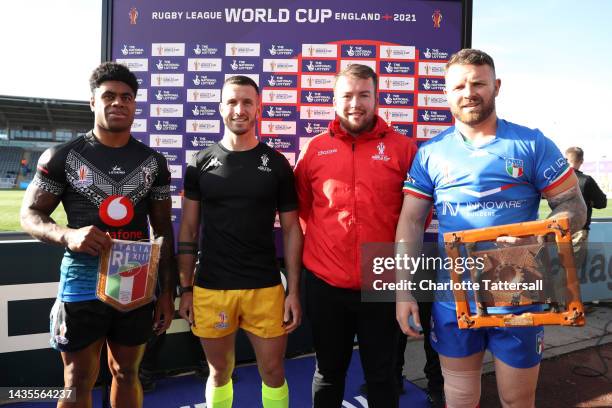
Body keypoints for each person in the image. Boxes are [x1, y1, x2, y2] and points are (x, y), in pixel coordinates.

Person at [396, 49, 587, 408]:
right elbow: (409, 219)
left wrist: (540, 232)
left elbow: (574, 205)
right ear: (446, 93)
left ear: (496, 87)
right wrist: (404, 291)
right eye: (459, 86)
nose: (469, 92)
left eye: (478, 83)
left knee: (517, 401)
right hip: (453, 298)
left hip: (517, 293)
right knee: (460, 399)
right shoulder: (431, 153)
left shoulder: (531, 143)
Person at [20, 61, 177, 408]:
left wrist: (168, 292)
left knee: (126, 372)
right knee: (78, 380)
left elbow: (164, 230)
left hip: (135, 278)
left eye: (126, 97)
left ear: (135, 104)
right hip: (81, 278)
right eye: (109, 95)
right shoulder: (62, 157)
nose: (118, 102)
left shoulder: (153, 163)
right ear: (93, 101)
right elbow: (29, 215)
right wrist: (68, 235)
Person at [294, 64, 418, 407]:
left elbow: (416, 218)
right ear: (334, 101)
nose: (355, 103)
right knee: (328, 372)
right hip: (326, 284)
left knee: (383, 375)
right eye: (347, 95)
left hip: (383, 281)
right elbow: (304, 211)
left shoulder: (403, 150)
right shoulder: (315, 150)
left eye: (364, 95)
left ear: (377, 98)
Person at [177, 75, 303, 408]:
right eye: (232, 102)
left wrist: (294, 291)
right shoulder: (199, 163)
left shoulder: (276, 164)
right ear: (221, 108)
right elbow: (188, 230)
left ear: (259, 108)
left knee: (274, 371)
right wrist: (185, 288)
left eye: (247, 102)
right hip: (211, 287)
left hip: (264, 287)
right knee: (219, 372)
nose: (239, 109)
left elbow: (292, 230)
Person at [564, 147, 607, 273]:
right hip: (578, 232)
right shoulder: (586, 180)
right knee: (572, 272)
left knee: (558, 270)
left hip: (557, 230)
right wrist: (589, 201)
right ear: (581, 161)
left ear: (565, 160)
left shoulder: (556, 179)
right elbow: (601, 203)